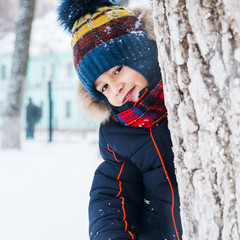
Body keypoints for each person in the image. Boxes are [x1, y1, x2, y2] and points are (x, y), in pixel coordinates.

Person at [58, 1, 182, 239]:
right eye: (103, 86)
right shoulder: (117, 133)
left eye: (117, 70)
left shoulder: (188, 95)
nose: (115, 88)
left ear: (143, 53)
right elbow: (113, 194)